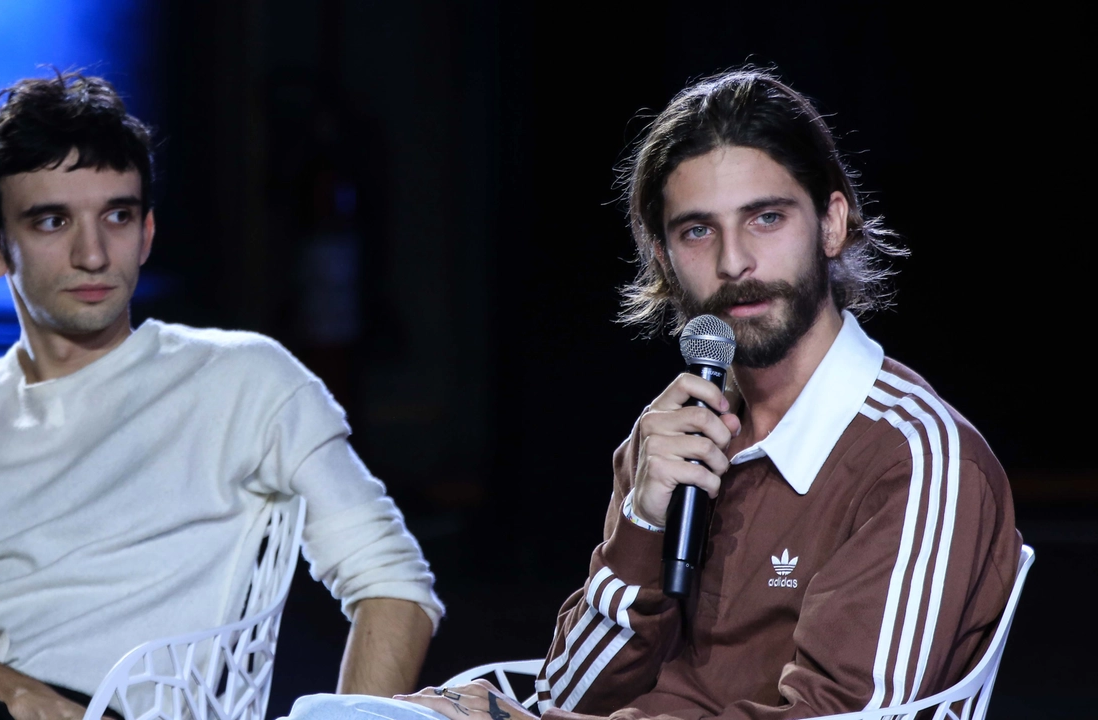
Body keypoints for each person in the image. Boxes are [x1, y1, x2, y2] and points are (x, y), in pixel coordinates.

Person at [290, 68, 1021, 720]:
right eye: (698, 231)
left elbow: (848, 718)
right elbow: (571, 694)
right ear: (665, 259)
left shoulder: (915, 458)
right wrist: (643, 519)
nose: (735, 262)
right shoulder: (675, 430)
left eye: (766, 218)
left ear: (831, 223)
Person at [0, 71, 443, 720]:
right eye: (52, 220)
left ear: (146, 233)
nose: (93, 254)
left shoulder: (243, 381)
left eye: (117, 216)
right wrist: (16, 697)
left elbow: (394, 587)